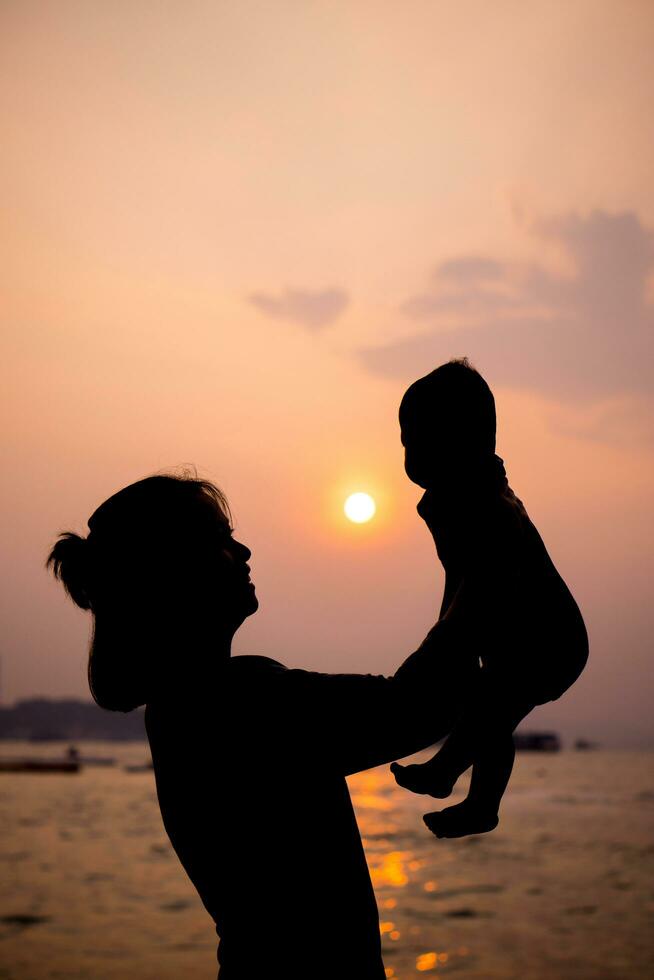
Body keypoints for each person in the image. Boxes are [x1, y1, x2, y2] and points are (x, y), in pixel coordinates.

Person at [47, 471, 489, 979]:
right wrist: (479, 564)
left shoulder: (182, 710)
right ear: (169, 572)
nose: (245, 551)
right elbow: (422, 706)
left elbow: (426, 698)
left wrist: (466, 576)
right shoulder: (238, 702)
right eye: (220, 538)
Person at [391, 359, 589, 839]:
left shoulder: (486, 503)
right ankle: (476, 802)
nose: (408, 453)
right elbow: (458, 581)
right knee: (492, 711)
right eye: (404, 441)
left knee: (491, 704)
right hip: (512, 639)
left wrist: (436, 651)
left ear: (461, 442)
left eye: (416, 439)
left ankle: (450, 776)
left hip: (549, 639)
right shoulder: (452, 499)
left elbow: (487, 579)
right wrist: (444, 639)